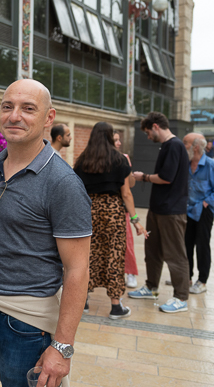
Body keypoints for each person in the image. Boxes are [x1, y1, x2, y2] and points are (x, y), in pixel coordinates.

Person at [0, 79, 92, 387]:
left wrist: (62, 348)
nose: (15, 116)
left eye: (28, 108)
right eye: (8, 107)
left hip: (28, 325)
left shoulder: (63, 183)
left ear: (48, 118)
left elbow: (78, 269)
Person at [74, 123, 147, 320]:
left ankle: (84, 301)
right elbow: (127, 193)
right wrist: (135, 220)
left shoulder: (82, 160)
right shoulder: (119, 160)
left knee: (87, 255)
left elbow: (77, 190)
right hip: (113, 211)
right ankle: (115, 306)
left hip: (89, 211)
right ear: (109, 136)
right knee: (114, 255)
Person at [129, 112, 190, 314]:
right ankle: (151, 287)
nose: (148, 137)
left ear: (155, 126)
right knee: (152, 251)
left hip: (171, 211)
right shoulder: (167, 146)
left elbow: (166, 177)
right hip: (158, 209)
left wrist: (144, 177)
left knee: (175, 254)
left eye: (148, 132)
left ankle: (181, 297)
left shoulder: (174, 145)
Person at [183, 133, 214, 294]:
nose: (183, 146)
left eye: (186, 143)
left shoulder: (210, 165)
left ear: (195, 147)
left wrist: (207, 202)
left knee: (202, 245)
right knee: (186, 244)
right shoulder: (186, 164)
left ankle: (202, 281)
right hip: (188, 209)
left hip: (203, 210)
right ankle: (186, 277)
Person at [114, 132, 139, 288]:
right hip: (103, 208)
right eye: (115, 140)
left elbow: (131, 185)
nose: (119, 143)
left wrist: (127, 170)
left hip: (121, 207)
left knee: (127, 242)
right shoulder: (96, 158)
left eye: (119, 140)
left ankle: (130, 273)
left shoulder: (123, 158)